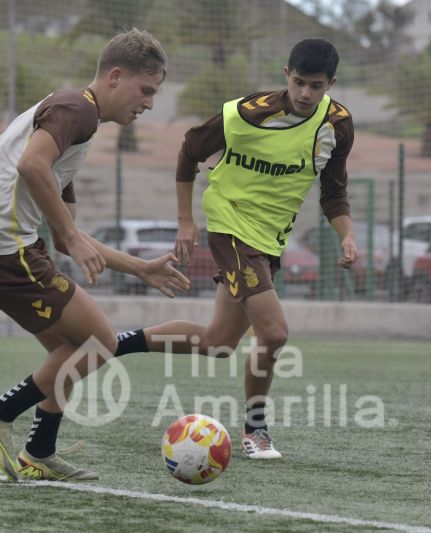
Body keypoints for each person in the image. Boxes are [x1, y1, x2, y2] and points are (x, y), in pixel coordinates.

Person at [0, 29, 188, 482]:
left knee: (69, 352)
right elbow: (31, 167)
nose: (150, 103)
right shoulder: (76, 109)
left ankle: (38, 452)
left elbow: (67, 235)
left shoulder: (77, 132)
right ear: (115, 77)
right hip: (2, 250)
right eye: (146, 90)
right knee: (101, 340)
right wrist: (71, 237)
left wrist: (139, 267)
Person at [113, 38, 358, 459]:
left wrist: (347, 234)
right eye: (298, 82)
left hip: (269, 239)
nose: (305, 93)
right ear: (286, 74)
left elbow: (333, 193)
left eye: (315, 86)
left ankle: (116, 342)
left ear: (330, 84)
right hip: (229, 226)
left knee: (219, 342)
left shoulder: (336, 125)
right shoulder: (246, 113)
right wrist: (186, 220)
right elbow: (190, 149)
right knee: (275, 332)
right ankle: (255, 429)